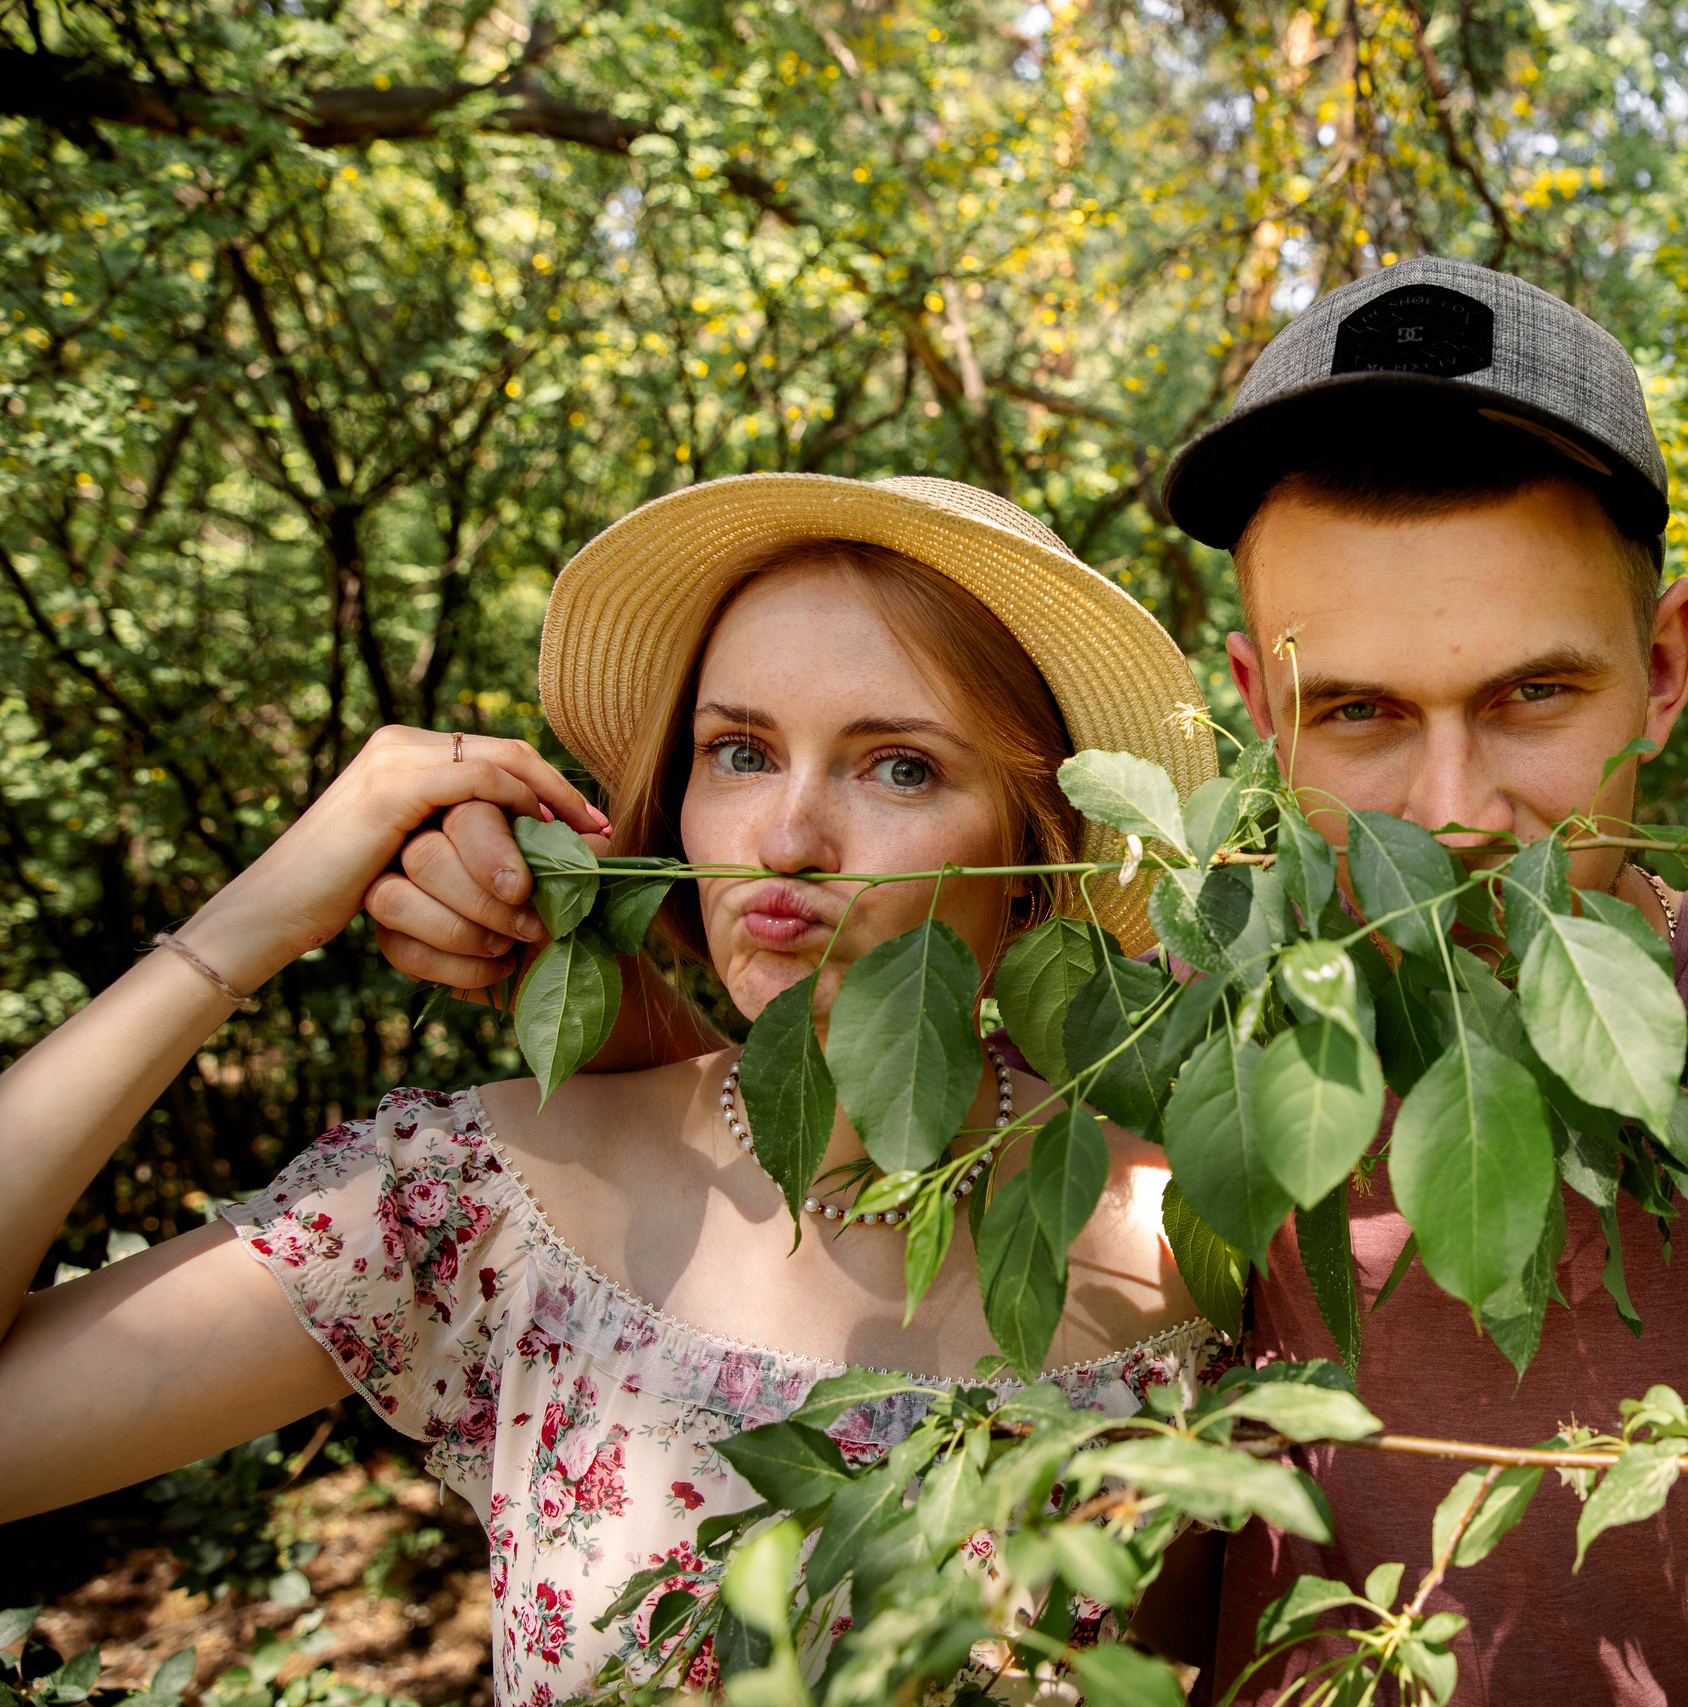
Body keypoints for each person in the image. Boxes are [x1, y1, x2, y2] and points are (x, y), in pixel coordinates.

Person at [368, 265, 1688, 1704]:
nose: (1453, 808)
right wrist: (554, 919)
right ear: (1249, 702)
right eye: (1363, 714)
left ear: (1666, 666)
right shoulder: (1115, 1030)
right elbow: (768, 1096)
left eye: (1534, 696)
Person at [0, 475, 1224, 1706]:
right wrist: (259, 920)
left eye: (898, 768)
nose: (785, 837)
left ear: (1038, 847)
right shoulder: (493, 1201)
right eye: (737, 752)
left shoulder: (1187, 1255)